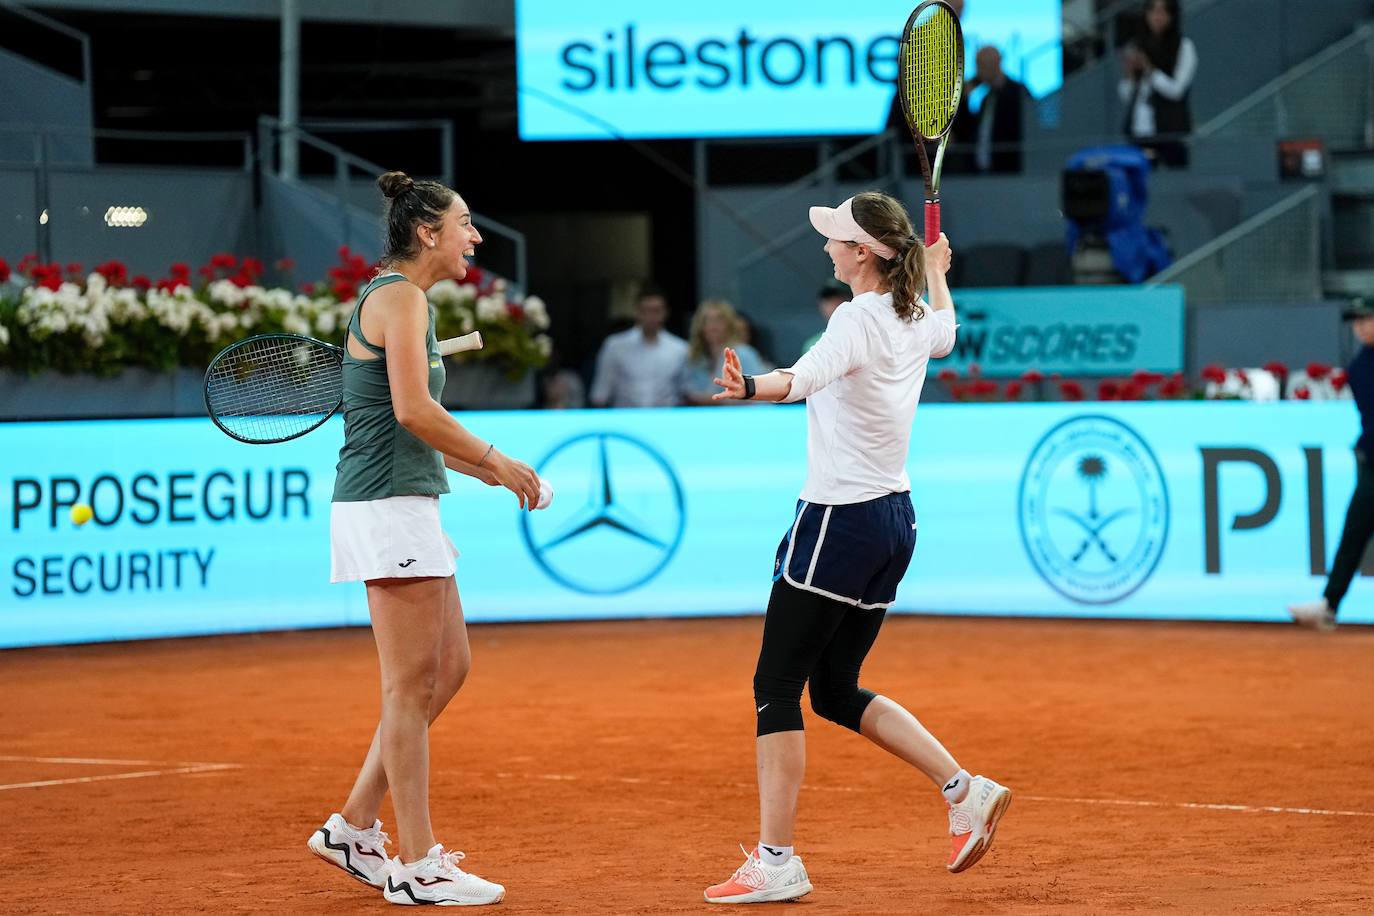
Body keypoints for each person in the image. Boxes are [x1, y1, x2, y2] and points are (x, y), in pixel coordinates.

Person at [702, 191, 1011, 905]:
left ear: (864, 253)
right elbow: (948, 332)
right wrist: (935, 271)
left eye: (837, 239)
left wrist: (750, 386)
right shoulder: (908, 316)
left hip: (838, 521)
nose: (826, 248)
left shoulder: (857, 318)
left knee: (775, 688)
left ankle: (777, 859)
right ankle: (965, 790)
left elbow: (800, 381)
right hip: (894, 523)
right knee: (834, 690)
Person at [307, 170, 541, 907]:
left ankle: (351, 825)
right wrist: (494, 459)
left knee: (450, 668)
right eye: (466, 224)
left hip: (405, 498)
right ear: (427, 232)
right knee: (410, 689)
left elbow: (404, 419)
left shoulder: (406, 301)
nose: (475, 236)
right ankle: (417, 865)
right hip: (385, 506)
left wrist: (477, 472)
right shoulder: (399, 298)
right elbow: (412, 410)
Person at [1288, 298, 1374, 631]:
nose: (1361, 327)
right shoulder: (1359, 367)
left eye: (1367, 319)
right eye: (1357, 322)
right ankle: (1328, 606)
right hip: (1372, 466)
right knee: (1353, 534)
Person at [1119, 0, 1197, 169]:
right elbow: (1127, 97)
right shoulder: (1138, 45)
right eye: (1152, 10)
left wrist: (1149, 70)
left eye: (1163, 11)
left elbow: (1176, 90)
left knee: (1173, 185)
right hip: (1139, 132)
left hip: (1169, 132)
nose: (1157, 16)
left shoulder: (1184, 47)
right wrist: (1129, 74)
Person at [589, 285, 689, 407]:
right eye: (646, 311)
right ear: (637, 311)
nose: (651, 317)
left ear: (665, 312)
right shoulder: (615, 346)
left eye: (656, 311)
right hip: (625, 419)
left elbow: (686, 392)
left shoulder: (680, 349)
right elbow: (601, 393)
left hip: (666, 419)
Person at [681, 299, 769, 406]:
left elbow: (760, 395)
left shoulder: (745, 353)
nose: (714, 325)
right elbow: (688, 393)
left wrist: (717, 400)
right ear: (700, 326)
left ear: (729, 324)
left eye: (719, 320)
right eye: (708, 320)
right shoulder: (694, 357)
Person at [958, 46, 1029, 174]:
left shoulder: (1017, 92)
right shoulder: (987, 98)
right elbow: (969, 132)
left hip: (1009, 169)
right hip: (983, 171)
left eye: (981, 65)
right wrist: (963, 99)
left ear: (996, 63)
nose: (978, 70)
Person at [799, 280, 849, 356]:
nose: (832, 306)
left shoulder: (864, 335)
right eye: (828, 301)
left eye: (837, 299)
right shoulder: (813, 345)